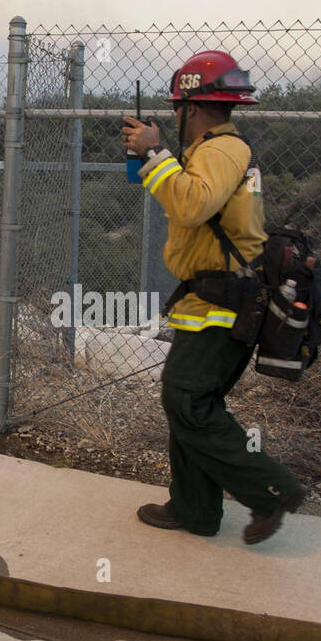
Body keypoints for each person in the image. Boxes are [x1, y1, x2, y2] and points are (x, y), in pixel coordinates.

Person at [121, 50, 305, 545]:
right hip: (209, 300)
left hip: (225, 302)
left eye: (178, 107)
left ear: (190, 107)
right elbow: (192, 199)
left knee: (187, 400)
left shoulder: (221, 150)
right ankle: (194, 509)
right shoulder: (214, 150)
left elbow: (191, 203)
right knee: (188, 401)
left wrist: (157, 153)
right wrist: (153, 161)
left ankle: (271, 490)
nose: (175, 116)